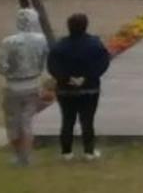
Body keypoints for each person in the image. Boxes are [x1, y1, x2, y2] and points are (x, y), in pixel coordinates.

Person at [48, 12, 112, 161]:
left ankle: (66, 152)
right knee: (87, 120)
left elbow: (52, 66)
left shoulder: (60, 46)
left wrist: (66, 78)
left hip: (66, 89)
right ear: (86, 26)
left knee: (67, 120)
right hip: (89, 89)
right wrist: (87, 77)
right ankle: (89, 152)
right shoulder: (95, 44)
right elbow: (103, 62)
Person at [0, 8, 49, 167]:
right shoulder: (41, 40)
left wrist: (9, 71)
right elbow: (44, 61)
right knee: (27, 122)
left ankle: (17, 154)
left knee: (12, 122)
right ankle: (26, 156)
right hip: (33, 84)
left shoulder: (8, 42)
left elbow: (0, 65)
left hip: (13, 86)